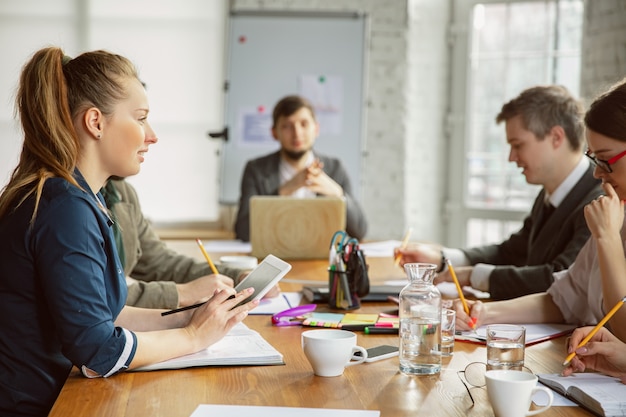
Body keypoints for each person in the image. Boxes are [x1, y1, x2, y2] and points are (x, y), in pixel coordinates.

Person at [0, 47, 258, 415]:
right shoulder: (64, 209)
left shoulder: (75, 197)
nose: (151, 136)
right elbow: (98, 349)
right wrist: (192, 337)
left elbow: (106, 314)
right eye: (140, 118)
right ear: (96, 122)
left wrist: (189, 318)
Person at [453, 77, 626, 343]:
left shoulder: (605, 221)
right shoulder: (613, 212)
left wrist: (608, 239)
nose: (597, 172)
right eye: (594, 159)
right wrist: (484, 312)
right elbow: (564, 299)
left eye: (605, 159)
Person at [397, 85, 602, 300]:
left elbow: (560, 277)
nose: (511, 157)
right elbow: (510, 252)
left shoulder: (597, 201)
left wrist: (476, 276)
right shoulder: (551, 193)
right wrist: (441, 259)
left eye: (518, 145)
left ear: (556, 137)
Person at [102, 178, 261, 309]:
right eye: (143, 135)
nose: (152, 138)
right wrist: (182, 293)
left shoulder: (121, 191)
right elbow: (94, 298)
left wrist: (236, 277)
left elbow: (159, 262)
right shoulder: (80, 203)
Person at [234, 95, 368, 242]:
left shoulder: (334, 168)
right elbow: (243, 231)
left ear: (316, 129)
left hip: (321, 259)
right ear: (274, 132)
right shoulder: (256, 169)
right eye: (287, 126)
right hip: (273, 255)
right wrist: (283, 191)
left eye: (304, 124)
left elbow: (360, 231)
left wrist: (338, 193)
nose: (297, 134)